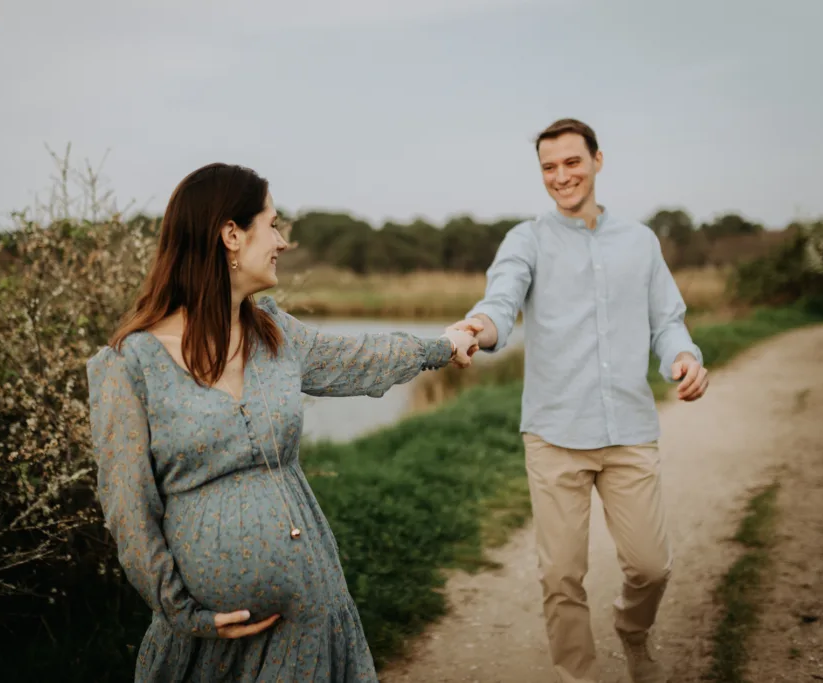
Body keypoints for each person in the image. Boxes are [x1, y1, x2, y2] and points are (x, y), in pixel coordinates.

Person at [85, 162, 480, 682]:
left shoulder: (272, 332)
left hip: (310, 621)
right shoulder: (129, 365)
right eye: (272, 224)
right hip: (210, 642)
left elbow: (357, 356)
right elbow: (128, 507)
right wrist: (182, 612)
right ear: (231, 235)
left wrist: (440, 347)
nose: (283, 241)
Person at [447, 118, 708, 683]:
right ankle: (578, 676)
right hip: (554, 436)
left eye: (571, 162)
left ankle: (633, 633)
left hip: (630, 433)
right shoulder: (527, 240)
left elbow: (667, 323)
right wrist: (475, 328)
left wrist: (683, 359)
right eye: (548, 167)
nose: (560, 176)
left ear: (597, 160)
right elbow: (501, 300)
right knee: (561, 576)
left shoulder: (640, 242)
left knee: (651, 567)